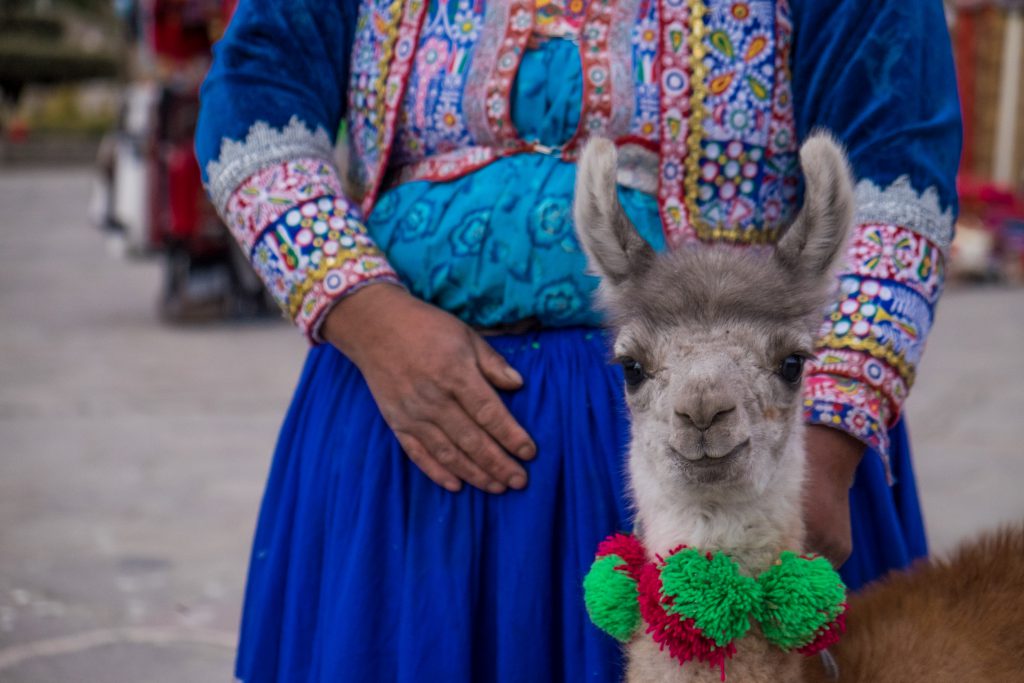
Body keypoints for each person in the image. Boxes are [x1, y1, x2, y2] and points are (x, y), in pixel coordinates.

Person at [195, 1, 960, 680]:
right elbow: (255, 101)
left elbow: (897, 171)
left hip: (752, 458)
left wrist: (822, 445)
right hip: (406, 442)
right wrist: (361, 309)